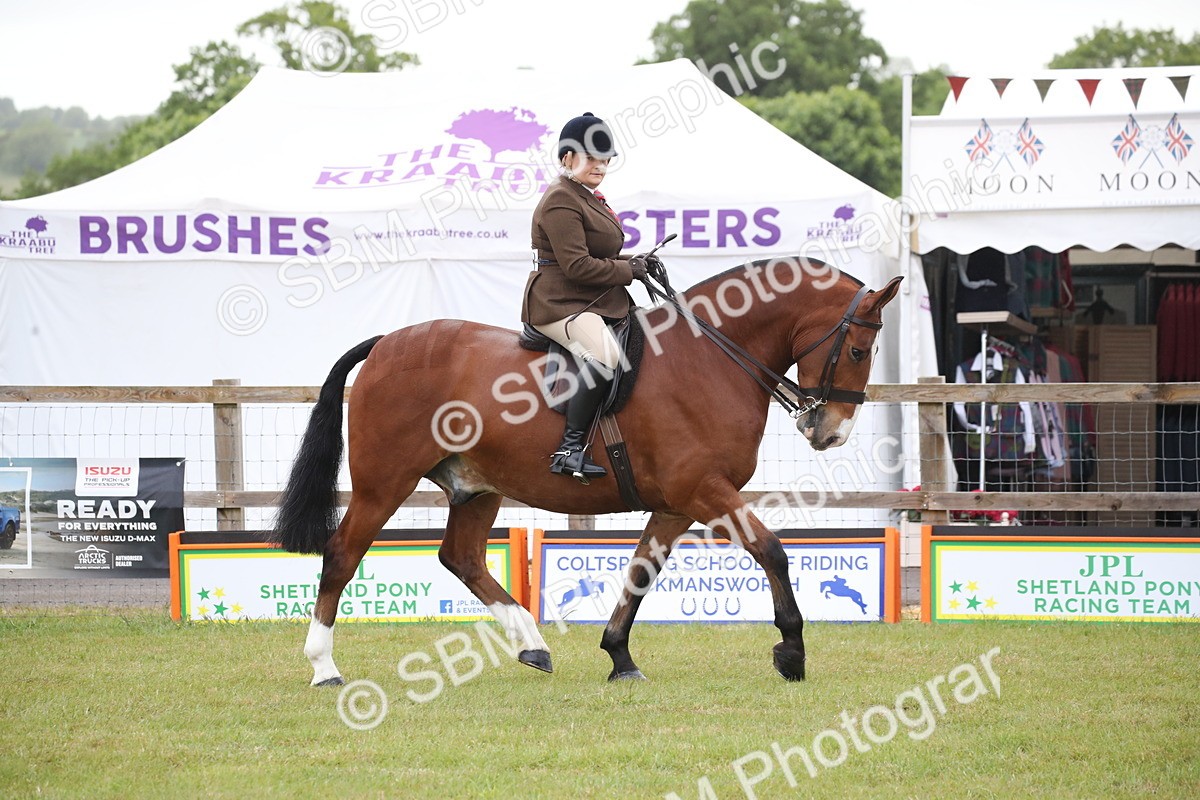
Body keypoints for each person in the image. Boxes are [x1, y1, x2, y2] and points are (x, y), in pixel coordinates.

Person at [520, 112, 652, 484]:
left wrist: (636, 262)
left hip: (589, 299)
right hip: (559, 303)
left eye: (605, 158)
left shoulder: (587, 196)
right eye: (591, 157)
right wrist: (629, 271)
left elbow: (598, 256)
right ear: (567, 159)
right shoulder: (561, 200)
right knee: (607, 355)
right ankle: (569, 449)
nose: (600, 165)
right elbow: (578, 266)